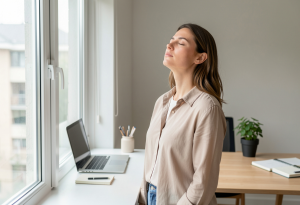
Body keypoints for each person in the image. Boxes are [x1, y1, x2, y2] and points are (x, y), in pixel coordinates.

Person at [138, 23, 227, 205]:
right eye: (171, 41)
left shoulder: (207, 108)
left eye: (181, 43)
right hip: (150, 197)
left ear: (200, 57)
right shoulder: (162, 102)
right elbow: (152, 164)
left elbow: (204, 181)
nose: (169, 46)